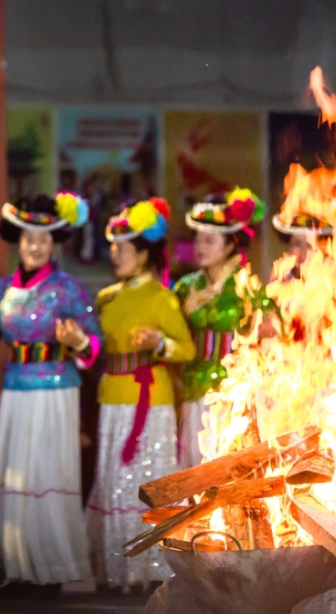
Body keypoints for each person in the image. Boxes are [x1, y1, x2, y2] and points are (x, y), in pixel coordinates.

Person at [0, 192, 102, 598]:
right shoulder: (3, 288)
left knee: (48, 475)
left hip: (55, 388)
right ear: (18, 240)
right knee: (13, 474)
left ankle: (55, 569)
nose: (34, 245)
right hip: (16, 387)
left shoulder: (68, 288)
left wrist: (79, 340)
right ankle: (17, 567)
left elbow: (95, 345)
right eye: (28, 237)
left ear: (55, 243)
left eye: (43, 238)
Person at [85, 197, 195, 592]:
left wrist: (158, 341)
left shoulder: (162, 298)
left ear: (144, 254)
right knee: (113, 479)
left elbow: (187, 349)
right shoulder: (106, 298)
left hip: (150, 400)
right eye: (113, 248)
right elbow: (94, 348)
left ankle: (151, 569)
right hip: (112, 396)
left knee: (147, 480)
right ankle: (118, 570)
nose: (116, 256)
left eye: (124, 249)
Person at [175, 188, 274, 467]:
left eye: (209, 240)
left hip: (234, 392)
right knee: (193, 465)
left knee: (226, 468)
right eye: (198, 238)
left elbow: (268, 338)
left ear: (230, 245)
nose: (200, 246)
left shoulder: (247, 287)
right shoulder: (186, 286)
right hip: (194, 388)